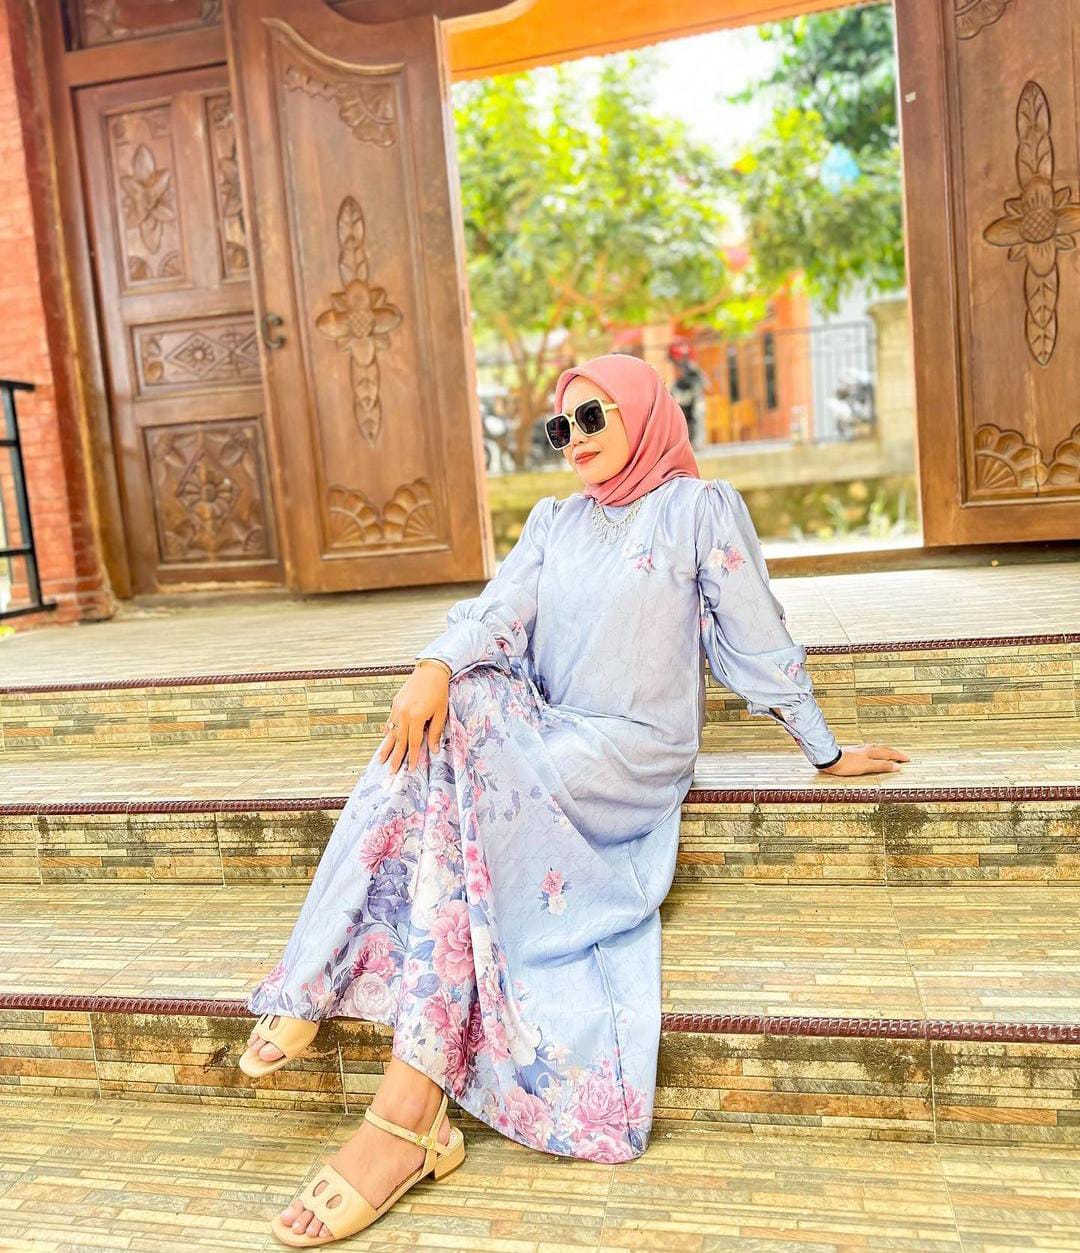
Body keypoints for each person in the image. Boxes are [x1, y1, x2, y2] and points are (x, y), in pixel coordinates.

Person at [241, 352, 909, 1246]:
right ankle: (397, 1089)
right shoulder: (554, 521)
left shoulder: (696, 510)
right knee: (459, 698)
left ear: (644, 413)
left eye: (594, 417)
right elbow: (497, 612)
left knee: (463, 744)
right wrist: (433, 663)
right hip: (549, 732)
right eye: (562, 425)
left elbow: (757, 636)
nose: (575, 439)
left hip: (632, 754)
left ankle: (352, 1025)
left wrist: (823, 748)